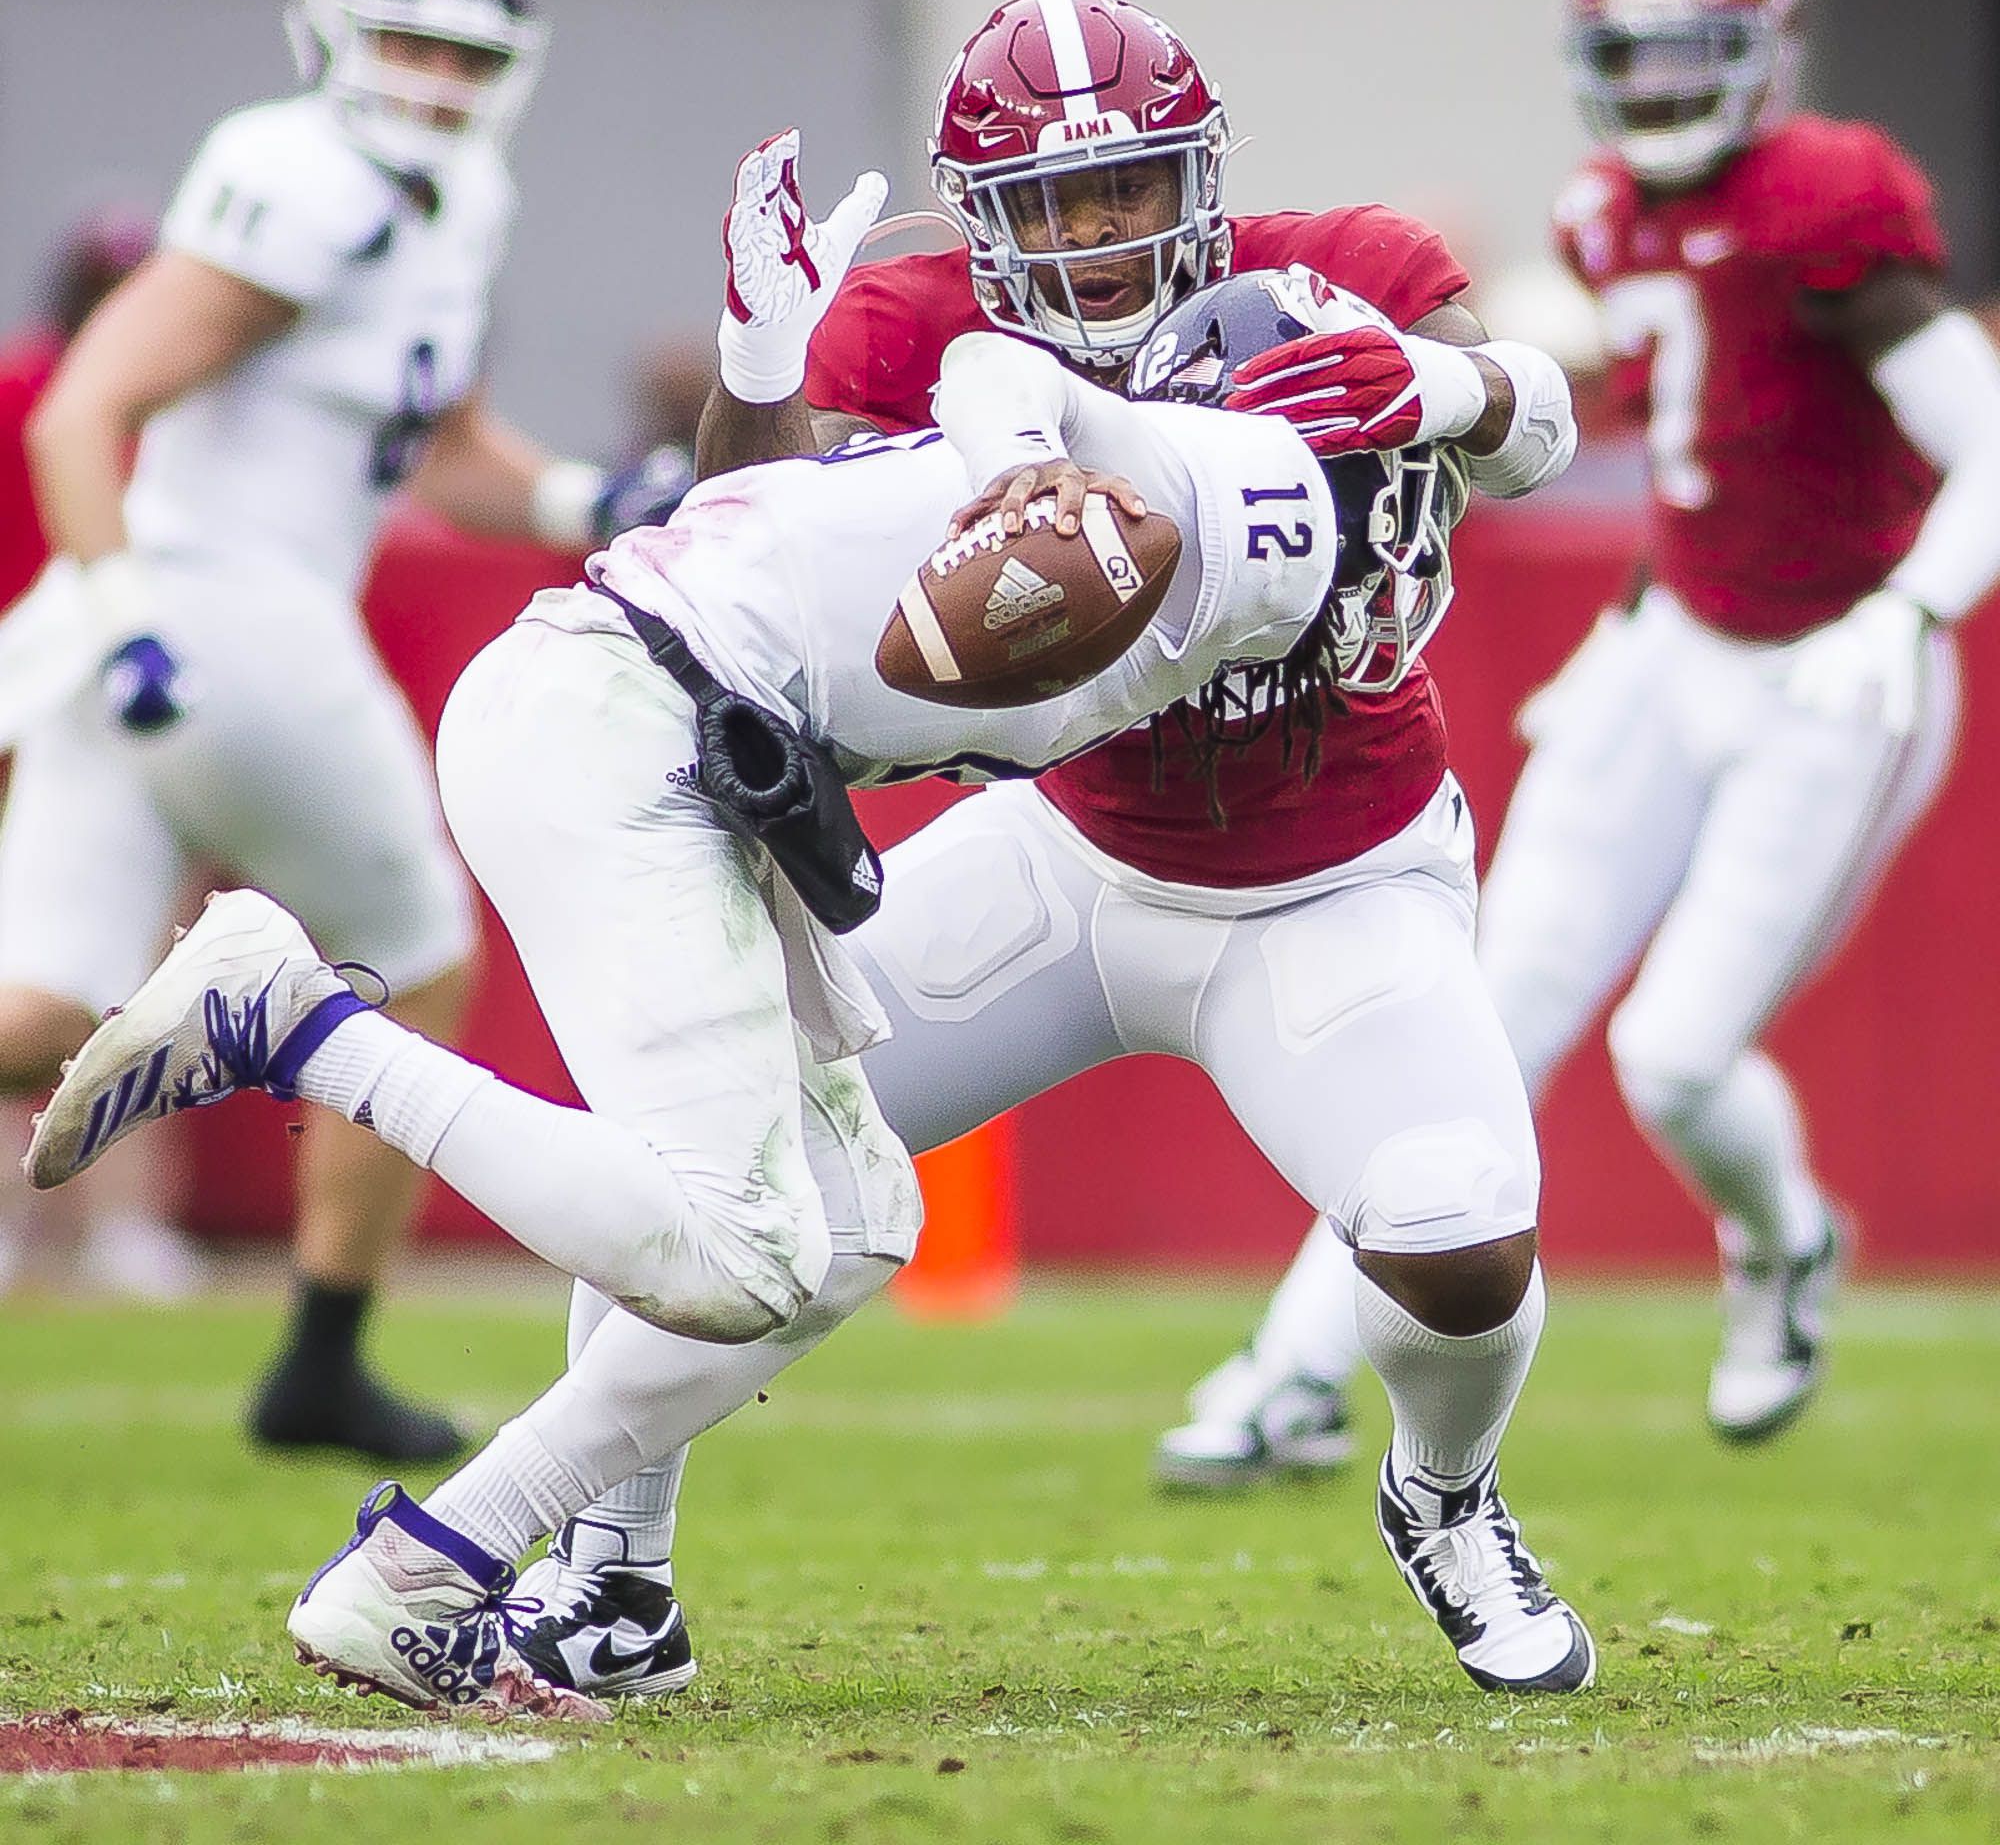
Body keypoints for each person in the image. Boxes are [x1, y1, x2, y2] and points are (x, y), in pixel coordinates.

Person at [29, 265, 1595, 1710]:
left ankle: (435, 1570)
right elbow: (1024, 427)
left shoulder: (1199, 464)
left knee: (852, 1225)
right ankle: (294, 1024)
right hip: (617, 729)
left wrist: (1423, 403)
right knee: (731, 1240)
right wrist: (1008, 469)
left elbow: (1002, 403)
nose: (1398, 554)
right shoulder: (1249, 517)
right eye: (1370, 503)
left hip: (705, 750)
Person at [506, 0, 1586, 1696]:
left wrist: (1440, 379)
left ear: (1200, 181)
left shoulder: (1334, 275)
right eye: (1049, 205)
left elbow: (1546, 426)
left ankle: (1443, 1496)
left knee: (1457, 1236)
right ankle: (612, 1578)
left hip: (1338, 876)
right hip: (1068, 860)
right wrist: (761, 364)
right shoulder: (928, 320)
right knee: (712, 1148)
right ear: (980, 215)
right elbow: (740, 526)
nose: (1091, 240)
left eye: (1127, 191)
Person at [1169, 0, 2000, 1453]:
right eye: (1638, 55)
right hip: (1674, 648)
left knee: (1674, 1057)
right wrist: (1627, 626)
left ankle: (1782, 1248)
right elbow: (1716, 461)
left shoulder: (1829, 196)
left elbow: (1986, 440)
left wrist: (1907, 617)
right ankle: (1293, 1372)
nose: (1665, 88)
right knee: (1479, 1019)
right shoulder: (1604, 213)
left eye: (1697, 52)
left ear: (1768, 50)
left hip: (1835, 665)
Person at [3, 0, 628, 1457]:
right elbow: (80, 413)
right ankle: (321, 1360)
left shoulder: (455, 193)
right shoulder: (299, 176)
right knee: (412, 961)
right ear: (337, 36)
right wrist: (129, 614)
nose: (426, 78)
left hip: (177, 628)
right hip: (211, 616)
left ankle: (319, 1362)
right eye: (405, 42)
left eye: (459, 54)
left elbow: (441, 443)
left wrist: (581, 502)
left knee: (39, 1019)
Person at [0, 210, 213, 1301]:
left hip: (135, 711)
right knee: (37, 979)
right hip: (35, 697)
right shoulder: (32, 394)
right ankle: (20, 1215)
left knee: (143, 978)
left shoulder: (180, 393)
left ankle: (126, 1220)